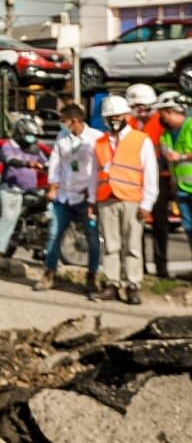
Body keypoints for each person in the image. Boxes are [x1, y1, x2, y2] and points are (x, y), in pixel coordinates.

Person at [94, 94, 158, 304]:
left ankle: (133, 285)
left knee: (132, 245)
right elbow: (94, 173)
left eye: (118, 115)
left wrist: (147, 202)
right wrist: (91, 200)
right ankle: (112, 283)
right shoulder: (100, 142)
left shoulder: (141, 140)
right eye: (110, 116)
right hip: (107, 199)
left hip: (132, 200)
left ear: (126, 116)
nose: (114, 120)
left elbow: (150, 173)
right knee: (111, 245)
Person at [34, 103, 102, 294]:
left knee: (92, 239)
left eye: (64, 121)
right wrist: (52, 185)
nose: (62, 125)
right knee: (54, 236)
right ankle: (49, 273)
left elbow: (99, 168)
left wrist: (94, 194)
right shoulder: (62, 137)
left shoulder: (96, 138)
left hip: (86, 196)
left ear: (75, 121)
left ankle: (92, 277)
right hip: (64, 196)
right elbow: (55, 162)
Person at [125, 83, 170, 277]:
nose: (141, 112)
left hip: (160, 177)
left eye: (145, 108)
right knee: (137, 225)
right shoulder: (129, 124)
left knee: (160, 223)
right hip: (136, 179)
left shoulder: (162, 123)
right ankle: (139, 267)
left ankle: (162, 268)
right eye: (137, 108)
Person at [0, 117, 47, 256]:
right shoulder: (9, 146)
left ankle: (41, 248)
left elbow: (46, 162)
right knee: (10, 216)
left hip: (32, 189)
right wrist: (28, 164)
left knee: (48, 213)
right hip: (11, 189)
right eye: (28, 134)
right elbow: (11, 160)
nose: (31, 138)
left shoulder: (35, 148)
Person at [155, 92, 192, 248]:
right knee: (189, 229)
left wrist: (181, 156)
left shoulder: (190, 126)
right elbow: (165, 151)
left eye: (163, 113)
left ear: (170, 111)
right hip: (182, 189)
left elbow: (179, 156)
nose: (162, 118)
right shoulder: (167, 134)